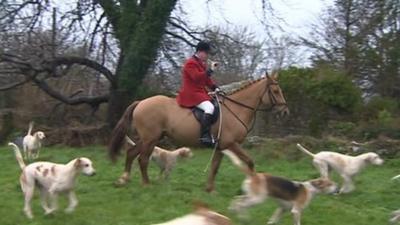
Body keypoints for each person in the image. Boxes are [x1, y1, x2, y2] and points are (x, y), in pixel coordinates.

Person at [176, 41, 219, 147]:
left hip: (199, 92)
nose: (207, 56)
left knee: (216, 103)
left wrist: (215, 87)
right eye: (206, 53)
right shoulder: (190, 63)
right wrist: (211, 70)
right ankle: (205, 136)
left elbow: (206, 80)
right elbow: (197, 77)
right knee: (209, 108)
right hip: (191, 94)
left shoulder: (200, 63)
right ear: (200, 52)